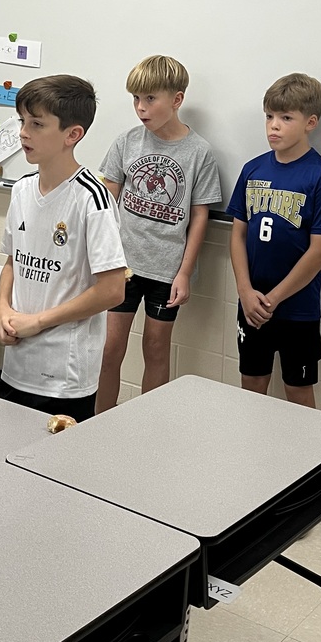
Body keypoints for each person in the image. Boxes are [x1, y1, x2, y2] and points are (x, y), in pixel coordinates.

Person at [0, 74, 126, 422]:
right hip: (16, 364)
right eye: (23, 121)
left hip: (63, 378)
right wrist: (2, 308)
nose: (23, 132)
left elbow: (113, 291)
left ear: (72, 135)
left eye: (37, 124)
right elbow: (12, 262)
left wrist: (38, 322)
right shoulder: (21, 189)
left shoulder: (92, 199)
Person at [95, 55, 221, 412]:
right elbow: (105, 205)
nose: (141, 108)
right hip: (123, 266)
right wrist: (101, 260)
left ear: (177, 100)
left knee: (155, 348)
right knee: (110, 348)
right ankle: (96, 424)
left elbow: (199, 217)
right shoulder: (126, 142)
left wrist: (184, 272)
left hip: (166, 270)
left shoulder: (199, 152)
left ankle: (146, 428)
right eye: (136, 99)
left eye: (150, 99)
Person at [227, 73, 321, 409]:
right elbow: (237, 234)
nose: (274, 126)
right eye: (269, 117)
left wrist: (273, 299)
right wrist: (245, 292)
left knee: (298, 393)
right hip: (251, 303)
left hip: (297, 310)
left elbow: (320, 251)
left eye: (286, 118)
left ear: (310, 122)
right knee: (251, 388)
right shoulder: (252, 169)